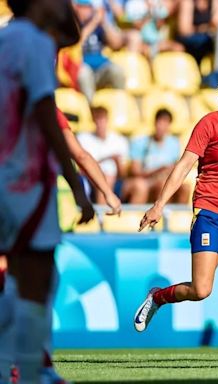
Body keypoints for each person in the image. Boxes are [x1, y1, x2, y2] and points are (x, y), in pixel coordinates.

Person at [134, 70, 218, 363]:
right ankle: (158, 296)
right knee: (201, 290)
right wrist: (159, 205)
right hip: (211, 213)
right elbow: (184, 165)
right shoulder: (210, 124)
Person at [0, 0, 95, 383]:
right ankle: (29, 371)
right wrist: (76, 185)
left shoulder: (7, 37)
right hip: (28, 178)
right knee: (35, 282)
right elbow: (45, 115)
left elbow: (69, 34)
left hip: (7, 176)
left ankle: (13, 369)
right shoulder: (36, 43)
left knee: (28, 279)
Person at [122, 108, 189, 204]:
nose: (162, 127)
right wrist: (159, 170)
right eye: (160, 122)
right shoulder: (140, 142)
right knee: (160, 185)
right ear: (155, 123)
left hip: (164, 179)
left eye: (166, 123)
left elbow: (175, 167)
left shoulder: (174, 143)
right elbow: (135, 171)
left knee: (185, 187)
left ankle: (178, 217)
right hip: (147, 180)